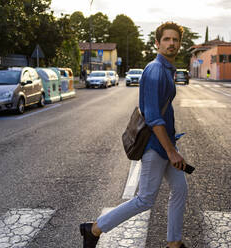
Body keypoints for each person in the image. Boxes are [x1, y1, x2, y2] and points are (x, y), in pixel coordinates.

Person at [79, 22, 188, 248]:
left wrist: (172, 146)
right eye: (166, 39)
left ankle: (174, 244)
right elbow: (152, 116)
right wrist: (171, 151)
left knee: (180, 189)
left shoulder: (167, 69)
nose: (171, 43)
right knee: (145, 199)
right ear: (157, 43)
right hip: (155, 147)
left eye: (175, 40)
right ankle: (93, 229)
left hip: (166, 144)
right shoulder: (155, 70)